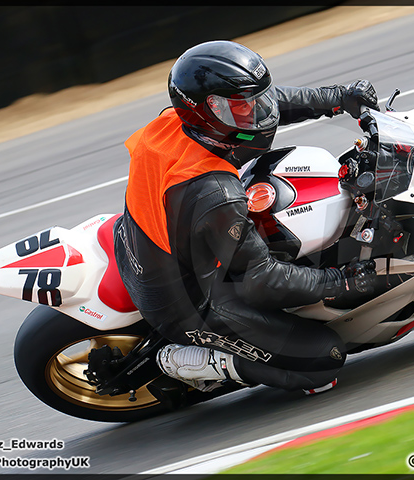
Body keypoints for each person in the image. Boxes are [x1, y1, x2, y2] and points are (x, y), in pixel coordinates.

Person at [113, 40, 379, 397]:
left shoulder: (172, 122)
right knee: (323, 360)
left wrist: (338, 97)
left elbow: (270, 104)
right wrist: (340, 282)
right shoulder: (215, 192)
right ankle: (181, 360)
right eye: (241, 106)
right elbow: (260, 279)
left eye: (254, 99)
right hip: (188, 299)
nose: (257, 112)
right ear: (209, 110)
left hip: (146, 239)